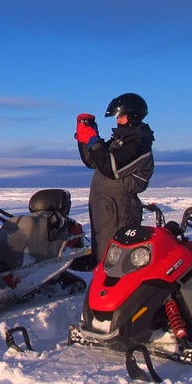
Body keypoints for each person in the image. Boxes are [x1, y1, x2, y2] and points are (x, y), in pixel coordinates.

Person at [74, 92, 155, 267]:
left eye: (121, 117)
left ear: (133, 116)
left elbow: (110, 168)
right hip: (106, 205)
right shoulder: (120, 140)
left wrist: (94, 141)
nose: (117, 120)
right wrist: (85, 137)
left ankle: (119, 292)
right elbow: (93, 162)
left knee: (115, 257)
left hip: (120, 207)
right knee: (102, 251)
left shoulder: (138, 143)